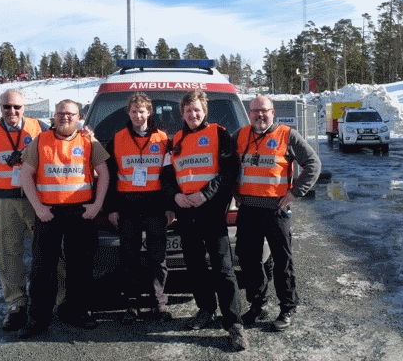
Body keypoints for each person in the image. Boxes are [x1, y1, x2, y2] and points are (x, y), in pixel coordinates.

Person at [162, 90, 248, 351]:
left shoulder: (219, 134)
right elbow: (166, 176)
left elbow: (230, 170)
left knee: (223, 268)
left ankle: (234, 323)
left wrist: (205, 195)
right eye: (188, 111)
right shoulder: (175, 140)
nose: (193, 115)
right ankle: (206, 309)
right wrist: (176, 196)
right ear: (182, 113)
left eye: (197, 110)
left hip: (211, 212)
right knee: (195, 265)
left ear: (205, 111)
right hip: (186, 213)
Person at [17, 99, 109, 338]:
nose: (64, 117)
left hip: (81, 213)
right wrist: (38, 207)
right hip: (48, 213)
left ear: (79, 116)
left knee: (81, 267)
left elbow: (104, 174)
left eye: (70, 114)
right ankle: (38, 319)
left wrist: (97, 205)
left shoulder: (89, 140)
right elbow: (25, 174)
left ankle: (75, 312)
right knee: (42, 269)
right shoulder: (41, 140)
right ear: (54, 116)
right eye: (60, 113)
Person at [233, 95, 320, 332]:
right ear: (249, 113)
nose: (259, 115)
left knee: (283, 261)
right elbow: (227, 165)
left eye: (264, 111)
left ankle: (287, 308)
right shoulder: (240, 135)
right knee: (249, 260)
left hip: (276, 210)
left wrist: (294, 193)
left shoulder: (287, 135)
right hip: (248, 211)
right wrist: (234, 190)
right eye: (255, 111)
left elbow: (313, 163)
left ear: (273, 112)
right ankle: (258, 304)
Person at [0, 89, 48, 331]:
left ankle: (59, 300)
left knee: (51, 252)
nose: (12, 111)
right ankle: (16, 304)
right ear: (0, 107)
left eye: (17, 107)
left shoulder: (40, 128)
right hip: (3, 203)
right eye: (7, 107)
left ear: (24, 107)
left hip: (37, 200)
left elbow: (66, 145)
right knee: (7, 255)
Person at [105, 93, 174, 324]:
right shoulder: (118, 139)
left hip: (155, 204)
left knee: (158, 258)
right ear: (128, 113)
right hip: (128, 205)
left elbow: (168, 176)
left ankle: (159, 304)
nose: (137, 115)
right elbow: (111, 177)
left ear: (149, 112)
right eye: (133, 111)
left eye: (142, 111)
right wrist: (112, 208)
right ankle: (131, 305)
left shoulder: (163, 139)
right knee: (129, 258)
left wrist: (169, 207)